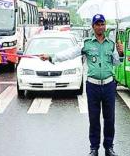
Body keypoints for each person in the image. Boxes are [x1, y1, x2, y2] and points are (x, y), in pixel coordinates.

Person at [40, 14, 123, 156]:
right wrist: (52, 57)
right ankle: (94, 148)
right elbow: (70, 53)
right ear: (93, 26)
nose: (100, 27)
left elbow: (117, 62)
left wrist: (121, 52)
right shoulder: (86, 43)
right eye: (97, 24)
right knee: (94, 118)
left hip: (109, 85)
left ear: (105, 26)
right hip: (93, 86)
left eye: (102, 24)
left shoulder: (111, 44)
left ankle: (109, 147)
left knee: (110, 119)